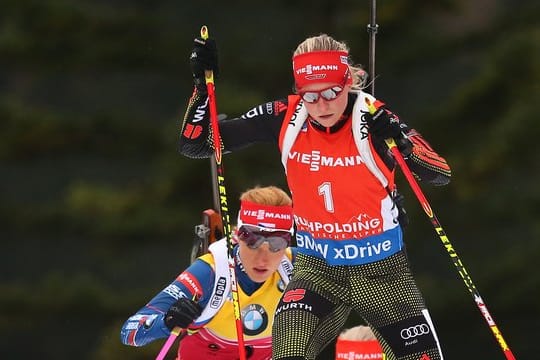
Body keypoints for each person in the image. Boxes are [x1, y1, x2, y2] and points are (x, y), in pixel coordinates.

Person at [178, 32, 451, 360]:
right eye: (310, 96)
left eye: (332, 92)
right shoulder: (286, 116)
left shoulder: (373, 118)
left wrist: (401, 144)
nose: (321, 105)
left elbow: (439, 173)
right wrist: (201, 85)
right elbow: (198, 143)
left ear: (348, 82)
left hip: (381, 271)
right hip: (317, 271)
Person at [120, 185, 297, 360]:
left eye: (276, 244)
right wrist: (166, 321)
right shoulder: (211, 272)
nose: (262, 259)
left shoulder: (297, 266)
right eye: (253, 241)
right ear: (238, 235)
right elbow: (129, 332)